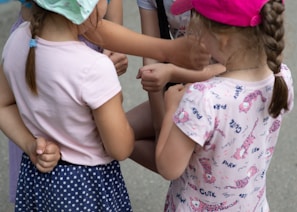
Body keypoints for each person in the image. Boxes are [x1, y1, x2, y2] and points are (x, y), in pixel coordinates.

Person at [155, 0, 294, 211]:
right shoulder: (281, 76)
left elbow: (168, 167)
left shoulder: (203, 99)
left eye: (199, 26)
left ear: (223, 40)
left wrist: (172, 108)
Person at [0, 0, 134, 210]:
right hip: (87, 187)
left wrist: (30, 145)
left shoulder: (19, 39)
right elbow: (120, 148)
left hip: (37, 182)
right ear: (86, 6)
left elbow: (3, 105)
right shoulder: (94, 68)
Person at [126, 0, 225, 172]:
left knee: (186, 162)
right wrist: (160, 124)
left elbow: (229, 65)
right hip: (183, 91)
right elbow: (152, 53)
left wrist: (173, 73)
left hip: (222, 90)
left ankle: (193, 175)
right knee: (116, 135)